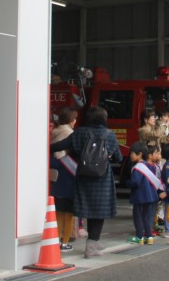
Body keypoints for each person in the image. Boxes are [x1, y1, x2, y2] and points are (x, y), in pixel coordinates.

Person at [50, 106, 123, 258]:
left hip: (83, 176)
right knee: (99, 212)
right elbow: (118, 158)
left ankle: (93, 242)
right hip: (102, 178)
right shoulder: (109, 135)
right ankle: (92, 244)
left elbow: (60, 146)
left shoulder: (80, 132)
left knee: (88, 209)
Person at [50, 107, 78, 250]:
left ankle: (55, 240)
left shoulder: (54, 132)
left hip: (58, 185)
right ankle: (65, 242)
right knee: (69, 217)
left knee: (59, 215)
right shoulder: (69, 134)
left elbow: (51, 159)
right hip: (70, 187)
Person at [127, 141, 162, 244]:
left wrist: (127, 183)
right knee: (147, 217)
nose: (130, 156)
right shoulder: (150, 166)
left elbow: (135, 183)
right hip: (151, 196)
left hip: (139, 197)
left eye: (132, 154)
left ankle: (139, 237)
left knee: (138, 217)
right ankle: (149, 237)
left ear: (140, 154)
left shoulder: (138, 167)